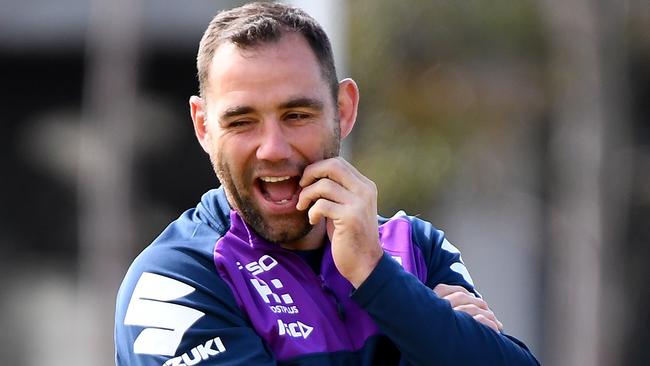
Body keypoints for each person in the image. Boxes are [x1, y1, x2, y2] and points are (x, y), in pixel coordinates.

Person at [114, 2, 540, 365]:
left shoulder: (417, 246)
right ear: (204, 127)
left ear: (344, 109)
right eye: (242, 122)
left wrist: (376, 276)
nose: (273, 149)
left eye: (297, 115)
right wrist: (432, 331)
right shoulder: (171, 286)